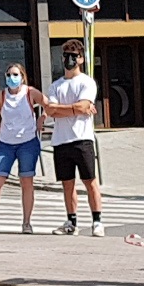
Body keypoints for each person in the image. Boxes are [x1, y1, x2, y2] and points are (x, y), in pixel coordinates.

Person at [45, 40, 105, 236]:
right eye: (66, 55)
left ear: (81, 58)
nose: (69, 59)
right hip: (61, 140)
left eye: (74, 55)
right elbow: (51, 110)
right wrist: (74, 109)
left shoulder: (87, 82)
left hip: (82, 139)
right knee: (67, 184)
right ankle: (71, 221)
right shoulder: (56, 85)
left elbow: (83, 105)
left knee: (90, 181)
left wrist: (69, 109)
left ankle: (97, 221)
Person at [0, 62, 43, 234]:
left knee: (26, 181)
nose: (12, 78)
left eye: (15, 74)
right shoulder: (2, 95)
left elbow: (49, 104)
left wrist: (42, 118)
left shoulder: (30, 93)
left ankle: (26, 223)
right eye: (8, 75)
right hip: (6, 143)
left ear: (22, 76)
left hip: (27, 142)